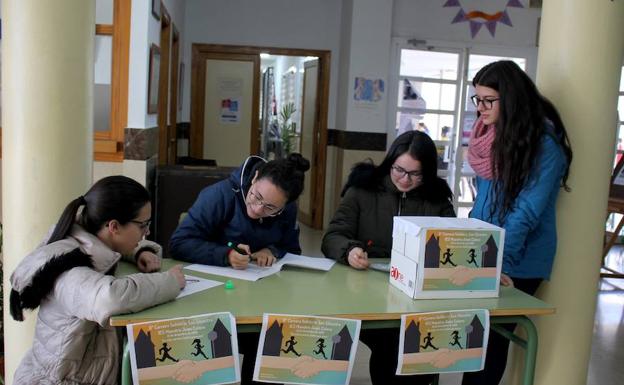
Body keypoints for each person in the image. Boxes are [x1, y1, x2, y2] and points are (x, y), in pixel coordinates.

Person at [9, 175, 185, 385]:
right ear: (114, 227)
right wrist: (171, 281)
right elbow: (110, 298)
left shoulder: (82, 233)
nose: (147, 232)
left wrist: (139, 252)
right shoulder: (69, 272)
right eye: (142, 225)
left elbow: (100, 249)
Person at [462, 60, 573, 385]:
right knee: (475, 340)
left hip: (519, 261)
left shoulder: (545, 147)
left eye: (487, 100)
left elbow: (526, 212)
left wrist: (501, 265)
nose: (480, 108)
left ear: (509, 99)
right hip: (485, 253)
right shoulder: (491, 137)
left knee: (492, 342)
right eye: (477, 99)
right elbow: (483, 200)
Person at [322, 130, 455, 385]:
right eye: (399, 170)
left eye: (415, 174)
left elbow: (449, 242)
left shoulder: (437, 198)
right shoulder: (363, 188)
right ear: (390, 162)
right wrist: (349, 250)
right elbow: (333, 236)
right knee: (392, 344)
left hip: (414, 298)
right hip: (366, 294)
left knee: (416, 342)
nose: (405, 180)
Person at [170, 152, 310, 385]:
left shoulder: (287, 210)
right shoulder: (220, 195)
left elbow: (291, 248)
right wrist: (225, 255)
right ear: (254, 178)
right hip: (211, 297)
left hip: (261, 298)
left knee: (273, 340)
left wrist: (272, 250)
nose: (256, 209)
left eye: (270, 208)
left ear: (284, 206)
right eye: (256, 197)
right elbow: (179, 243)